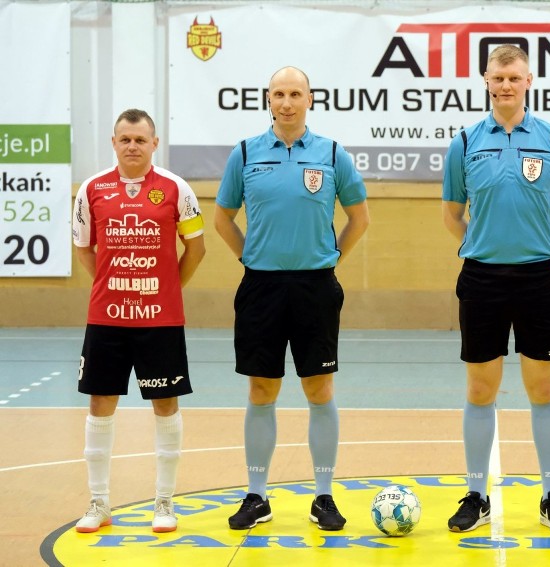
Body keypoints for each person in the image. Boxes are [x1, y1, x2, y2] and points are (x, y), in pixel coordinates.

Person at [214, 66, 369, 531]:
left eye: (294, 93)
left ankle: (323, 496)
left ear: (309, 99)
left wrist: (331, 257)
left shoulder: (332, 153)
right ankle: (257, 495)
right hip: (261, 288)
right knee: (261, 391)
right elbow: (222, 219)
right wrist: (252, 258)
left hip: (315, 288)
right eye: (278, 93)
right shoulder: (244, 154)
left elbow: (359, 219)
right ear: (267, 99)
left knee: (318, 390)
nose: (286, 102)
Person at [441, 44, 550, 534]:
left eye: (514, 78)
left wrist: (541, 247)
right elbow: (451, 213)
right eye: (498, 78)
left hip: (540, 278)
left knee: (542, 389)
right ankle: (476, 494)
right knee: (480, 391)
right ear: (486, 80)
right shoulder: (464, 142)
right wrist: (482, 246)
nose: (506, 85)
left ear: (528, 81)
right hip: (481, 278)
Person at [71, 109, 206, 534]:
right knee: (99, 404)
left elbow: (196, 249)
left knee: (165, 406)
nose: (133, 146)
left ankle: (164, 502)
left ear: (154, 143)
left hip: (160, 321)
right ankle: (99, 502)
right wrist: (115, 285)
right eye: (125, 139)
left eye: (140, 140)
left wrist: (166, 289)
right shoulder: (92, 189)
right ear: (113, 142)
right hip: (107, 319)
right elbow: (84, 250)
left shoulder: (176, 189)